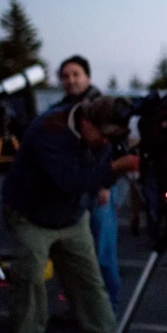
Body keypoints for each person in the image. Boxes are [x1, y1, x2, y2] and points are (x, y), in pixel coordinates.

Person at [3, 96, 140, 333]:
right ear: (86, 122)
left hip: (72, 216)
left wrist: (104, 179)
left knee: (89, 282)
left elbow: (94, 171)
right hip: (32, 216)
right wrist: (113, 169)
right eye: (102, 135)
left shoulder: (99, 135)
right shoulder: (48, 131)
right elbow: (69, 180)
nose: (105, 142)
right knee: (31, 285)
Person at [53, 55, 123, 312]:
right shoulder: (61, 109)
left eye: (75, 74)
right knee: (76, 256)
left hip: (99, 187)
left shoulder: (102, 105)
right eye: (65, 76)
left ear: (88, 77)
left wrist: (105, 183)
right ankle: (82, 310)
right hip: (74, 186)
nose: (70, 80)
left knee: (103, 251)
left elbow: (113, 146)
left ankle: (110, 308)